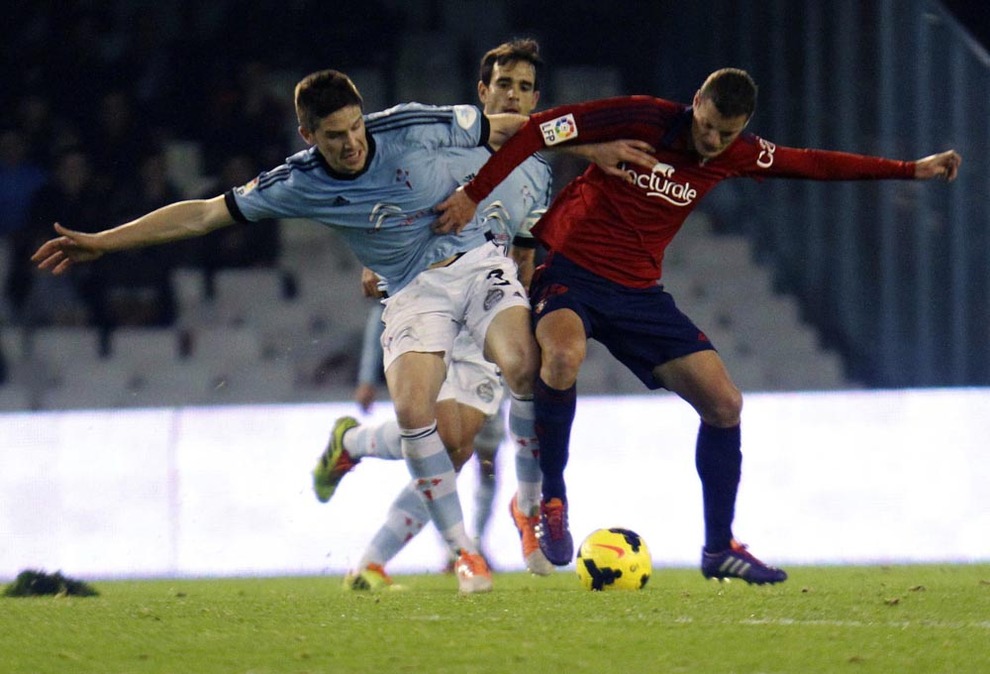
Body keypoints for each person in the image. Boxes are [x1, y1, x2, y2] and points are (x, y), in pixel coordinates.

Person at [436, 67, 962, 584]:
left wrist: (909, 169)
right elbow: (538, 129)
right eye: (706, 125)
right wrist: (475, 193)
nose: (710, 141)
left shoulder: (737, 153)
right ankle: (552, 497)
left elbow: (814, 163)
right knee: (563, 356)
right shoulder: (642, 117)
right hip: (571, 270)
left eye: (725, 133)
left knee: (725, 403)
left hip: (640, 294)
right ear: (696, 102)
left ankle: (718, 547)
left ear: (743, 127)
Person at [31, 67, 541, 594]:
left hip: (479, 269)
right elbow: (203, 215)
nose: (350, 144)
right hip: (414, 295)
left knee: (492, 401)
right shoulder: (299, 181)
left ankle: (524, 509)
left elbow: (514, 132)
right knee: (429, 426)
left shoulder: (407, 126)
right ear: (308, 137)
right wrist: (103, 243)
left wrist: (596, 139)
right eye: (334, 136)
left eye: (354, 128)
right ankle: (461, 552)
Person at [315, 39, 656, 589]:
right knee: (439, 437)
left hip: (487, 303)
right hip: (427, 296)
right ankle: (362, 466)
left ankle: (367, 535)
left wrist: (518, 316)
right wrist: (375, 259)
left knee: (454, 444)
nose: (513, 95)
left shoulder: (539, 174)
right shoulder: (448, 142)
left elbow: (522, 251)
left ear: (535, 98)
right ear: (482, 91)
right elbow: (386, 196)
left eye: (524, 88)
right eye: (503, 84)